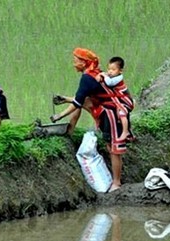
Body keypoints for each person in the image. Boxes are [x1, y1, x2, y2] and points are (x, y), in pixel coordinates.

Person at [50, 48, 134, 192]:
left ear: (84, 63)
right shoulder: (94, 73)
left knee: (114, 149)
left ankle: (117, 183)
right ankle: (69, 131)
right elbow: (82, 100)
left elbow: (78, 102)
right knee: (110, 147)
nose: (74, 64)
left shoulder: (87, 78)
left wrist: (59, 116)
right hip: (109, 110)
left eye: (76, 61)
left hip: (112, 115)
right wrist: (65, 99)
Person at [96, 57, 134, 142]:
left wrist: (103, 75)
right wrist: (100, 74)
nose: (110, 71)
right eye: (109, 69)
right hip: (119, 100)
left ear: (120, 71)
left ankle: (125, 131)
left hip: (125, 101)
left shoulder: (118, 78)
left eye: (113, 69)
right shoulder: (111, 76)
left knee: (122, 113)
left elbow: (109, 83)